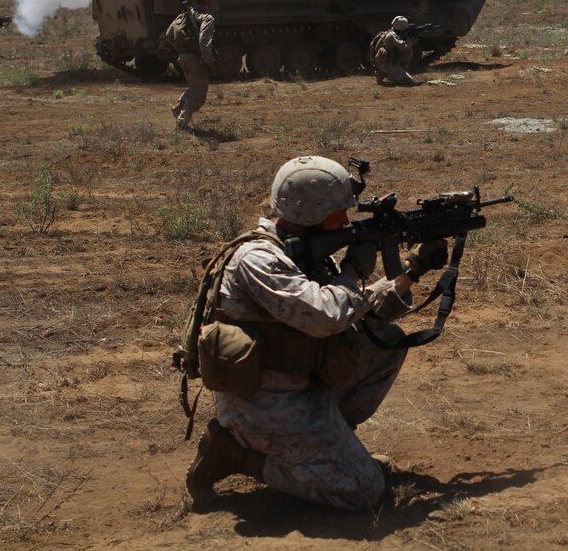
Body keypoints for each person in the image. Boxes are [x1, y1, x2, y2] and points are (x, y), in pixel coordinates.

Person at [185, 155, 447, 510]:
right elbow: (326, 317)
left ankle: (327, 448)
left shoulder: (306, 254)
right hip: (264, 404)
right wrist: (352, 269)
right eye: (339, 214)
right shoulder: (259, 260)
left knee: (387, 341)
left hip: (302, 385)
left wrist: (412, 270)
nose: (346, 221)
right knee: (364, 489)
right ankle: (238, 455)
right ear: (311, 214)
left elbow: (357, 312)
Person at [166, 0, 216, 129]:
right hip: (195, 59)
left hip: (183, 57)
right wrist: (209, 62)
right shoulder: (207, 18)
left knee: (195, 87)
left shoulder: (182, 16)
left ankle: (178, 108)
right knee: (199, 95)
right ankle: (181, 122)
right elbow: (204, 43)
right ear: (208, 0)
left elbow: (169, 35)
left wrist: (182, 50)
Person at [371, 16, 417, 86]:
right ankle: (392, 76)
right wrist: (409, 38)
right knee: (410, 81)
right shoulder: (392, 36)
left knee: (407, 52)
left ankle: (383, 73)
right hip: (385, 64)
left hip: (384, 62)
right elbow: (405, 47)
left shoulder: (389, 32)